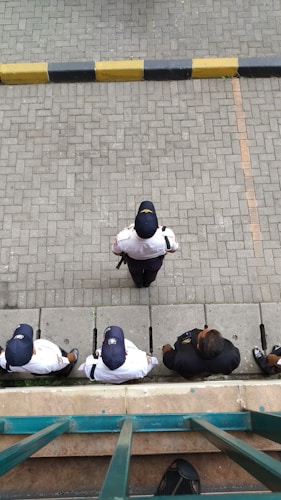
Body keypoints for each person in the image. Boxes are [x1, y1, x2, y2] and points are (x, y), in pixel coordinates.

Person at [112, 200, 178, 288]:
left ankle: (138, 284)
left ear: (135, 226)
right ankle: (147, 283)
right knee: (151, 274)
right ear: (157, 226)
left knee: (135, 274)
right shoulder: (167, 237)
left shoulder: (122, 239)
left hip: (134, 262)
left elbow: (116, 251)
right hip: (154, 262)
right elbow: (173, 249)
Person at [79, 325, 158, 384]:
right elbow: (153, 360)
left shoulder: (90, 367)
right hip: (132, 373)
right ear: (126, 353)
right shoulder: (142, 365)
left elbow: (85, 366)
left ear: (101, 355)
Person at [0, 323, 79, 376]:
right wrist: (73, 356)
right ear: (32, 351)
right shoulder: (49, 362)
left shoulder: (3, 359)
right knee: (64, 367)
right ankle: (67, 371)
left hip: (34, 371)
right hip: (56, 358)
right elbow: (67, 360)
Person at [162, 327, 240, 379]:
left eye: (201, 333)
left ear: (198, 346)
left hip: (189, 373)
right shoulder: (232, 356)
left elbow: (168, 360)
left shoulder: (180, 358)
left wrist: (167, 349)